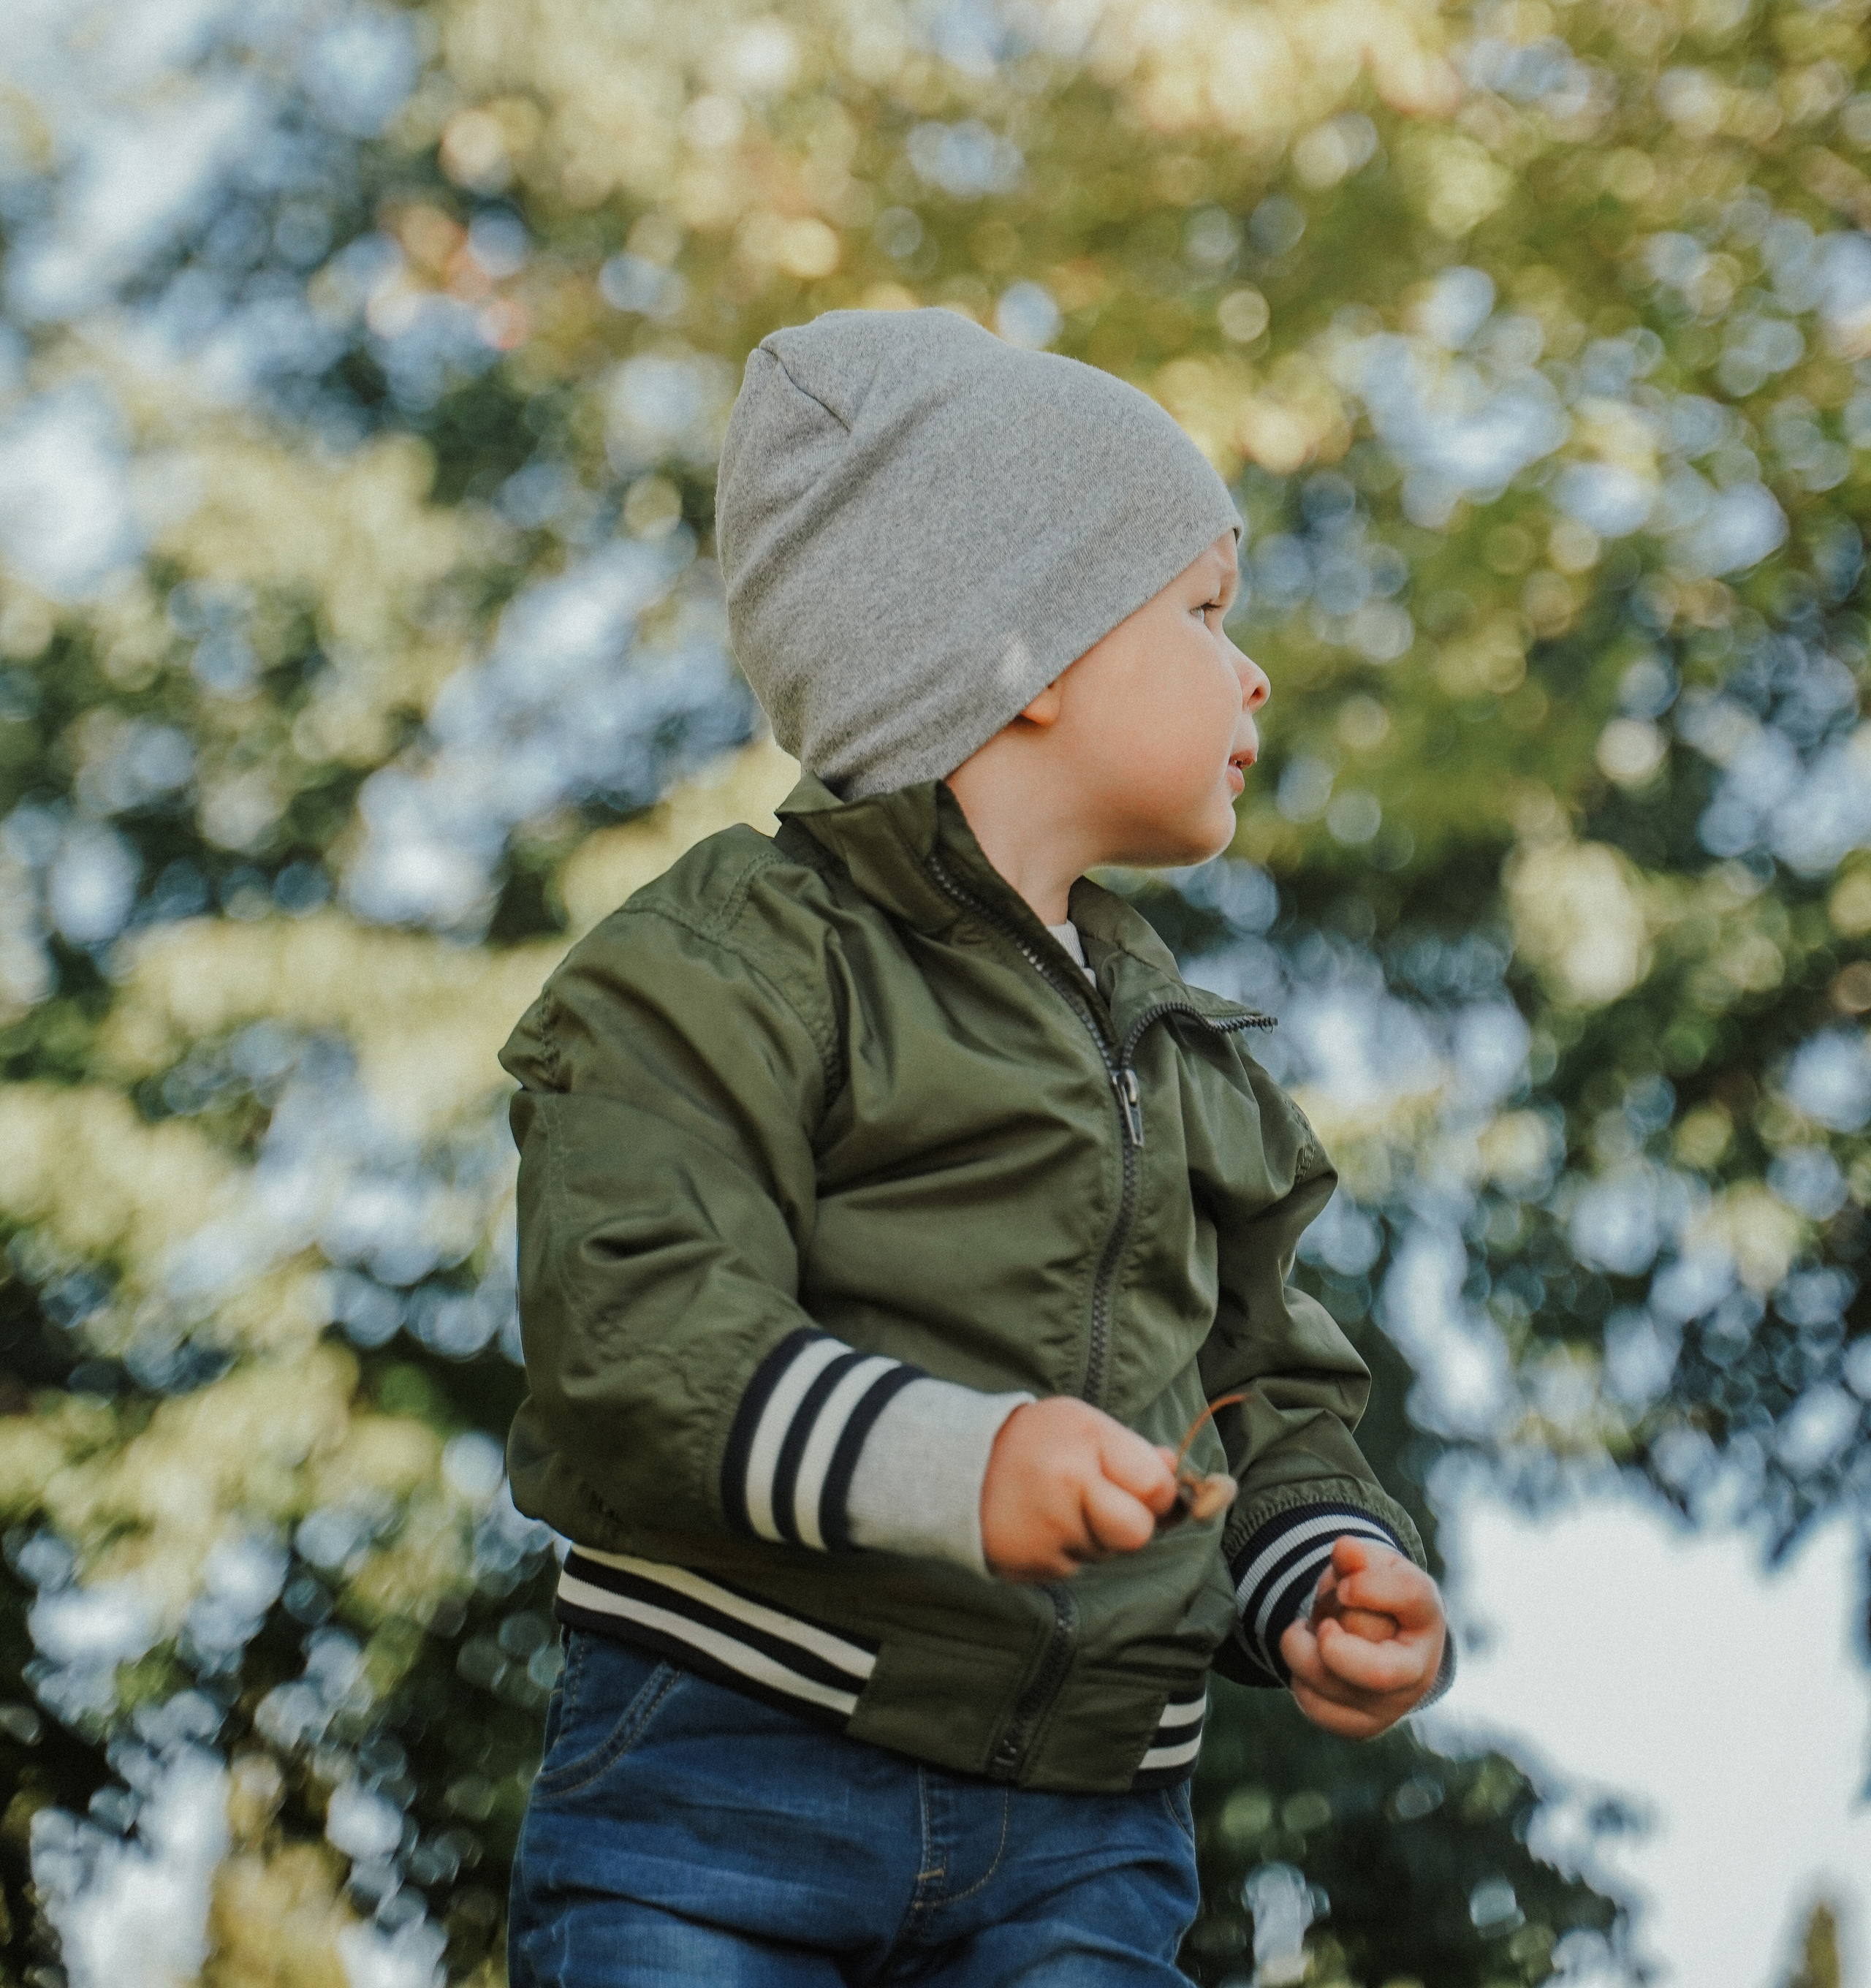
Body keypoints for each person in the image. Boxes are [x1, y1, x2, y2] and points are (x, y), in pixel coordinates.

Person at [502, 308, 1449, 1987]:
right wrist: (961, 1465)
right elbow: (637, 1331)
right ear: (1026, 655)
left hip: (1082, 1834)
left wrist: (1315, 1568)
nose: (1251, 671)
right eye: (1202, 612)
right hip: (730, 1770)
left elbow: (1258, 1400)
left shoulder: (1187, 1052)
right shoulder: (728, 964)